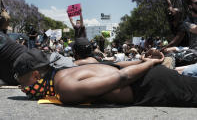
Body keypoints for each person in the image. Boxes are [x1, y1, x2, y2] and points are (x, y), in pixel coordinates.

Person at [14, 47, 197, 107]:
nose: (22, 88)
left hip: (153, 85)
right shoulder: (72, 67)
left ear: (36, 74)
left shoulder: (65, 87)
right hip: (151, 80)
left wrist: (149, 63)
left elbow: (121, 77)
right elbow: (115, 66)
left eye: (22, 82)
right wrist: (144, 61)